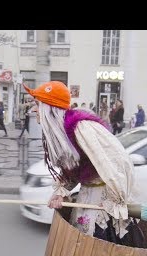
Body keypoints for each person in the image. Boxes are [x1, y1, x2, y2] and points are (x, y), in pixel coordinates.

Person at [22, 80, 135, 242]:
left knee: (95, 251)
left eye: (37, 104)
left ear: (49, 108)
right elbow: (75, 169)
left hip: (102, 204)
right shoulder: (63, 133)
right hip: (86, 198)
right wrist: (61, 192)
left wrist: (118, 200)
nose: (34, 109)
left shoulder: (82, 129)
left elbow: (114, 162)